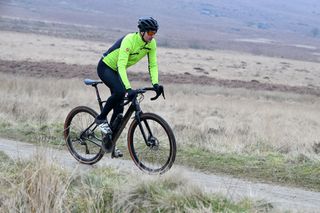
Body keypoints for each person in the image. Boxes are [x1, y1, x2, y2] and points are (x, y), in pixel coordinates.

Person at [95, 17, 163, 157]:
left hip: (118, 70)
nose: (152, 36)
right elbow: (121, 65)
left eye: (154, 33)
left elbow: (153, 65)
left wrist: (155, 84)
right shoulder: (129, 40)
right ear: (142, 32)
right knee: (120, 92)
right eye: (150, 33)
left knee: (119, 111)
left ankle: (109, 143)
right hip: (106, 67)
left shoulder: (151, 44)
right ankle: (101, 118)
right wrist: (128, 89)